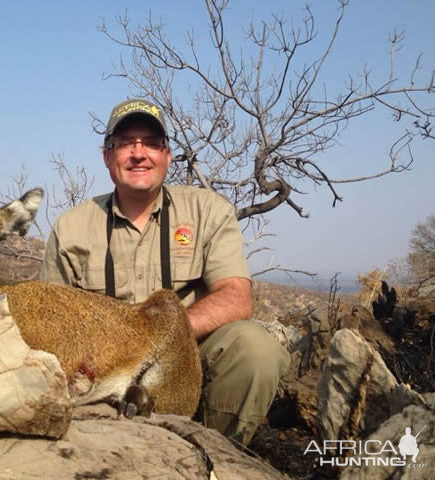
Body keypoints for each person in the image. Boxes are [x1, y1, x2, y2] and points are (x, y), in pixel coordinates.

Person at [40, 98, 290, 446]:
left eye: (152, 143)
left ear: (167, 155)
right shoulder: (72, 227)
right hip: (103, 368)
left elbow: (236, 298)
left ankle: (216, 452)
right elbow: (50, 321)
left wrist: (159, 337)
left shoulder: (208, 211)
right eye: (126, 143)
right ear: (108, 157)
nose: (139, 153)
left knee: (256, 348)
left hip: (188, 355)